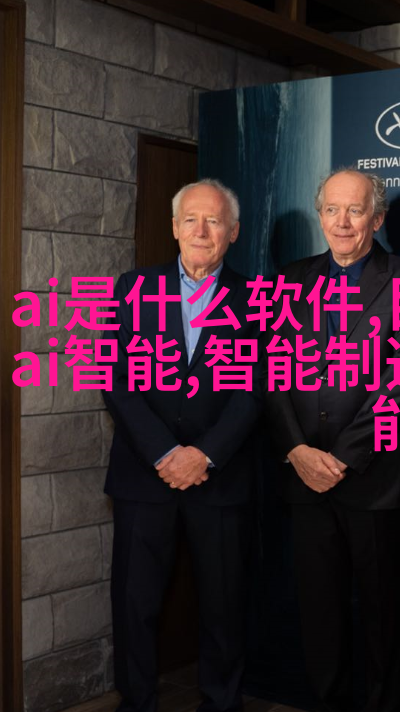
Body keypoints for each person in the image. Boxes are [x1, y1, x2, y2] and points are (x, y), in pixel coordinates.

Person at [265, 169, 400, 712]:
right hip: (304, 480)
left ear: (377, 219)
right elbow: (267, 373)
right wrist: (296, 449)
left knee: (383, 618)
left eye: (355, 210)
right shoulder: (287, 281)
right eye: (331, 210)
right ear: (320, 215)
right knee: (319, 613)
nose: (342, 222)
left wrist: (341, 457)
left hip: (374, 480)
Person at [104, 179, 261, 712]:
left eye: (214, 221)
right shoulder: (132, 287)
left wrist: (205, 454)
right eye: (190, 219)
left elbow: (258, 387)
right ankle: (136, 703)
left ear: (233, 232)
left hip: (221, 477)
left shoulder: (258, 299)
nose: (201, 230)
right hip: (143, 475)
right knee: (135, 603)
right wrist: (164, 453)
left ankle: (222, 703)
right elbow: (115, 379)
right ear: (173, 227)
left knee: (224, 606)